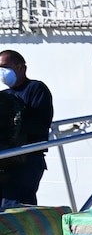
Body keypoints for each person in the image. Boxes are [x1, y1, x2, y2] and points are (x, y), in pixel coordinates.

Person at [0, 50, 54, 207]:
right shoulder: (3, 96)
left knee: (17, 208)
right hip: (5, 160)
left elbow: (41, 124)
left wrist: (12, 125)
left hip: (27, 160)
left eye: (4, 67)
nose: (2, 72)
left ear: (21, 67)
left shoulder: (36, 89)